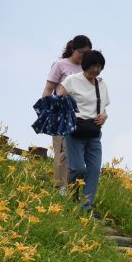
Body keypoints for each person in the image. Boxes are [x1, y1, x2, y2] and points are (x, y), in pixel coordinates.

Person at [56, 50, 110, 214]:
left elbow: (103, 109)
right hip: (74, 130)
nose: (96, 69)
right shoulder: (72, 80)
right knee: (79, 169)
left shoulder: (101, 84)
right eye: (93, 65)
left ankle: (85, 207)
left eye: (99, 66)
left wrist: (104, 117)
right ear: (86, 65)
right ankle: (70, 195)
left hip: (93, 132)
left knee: (94, 170)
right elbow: (58, 101)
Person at [41, 35, 92, 193]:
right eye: (81, 52)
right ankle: (60, 186)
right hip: (60, 113)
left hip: (81, 115)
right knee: (62, 150)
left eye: (87, 53)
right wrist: (47, 110)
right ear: (73, 49)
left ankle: (72, 186)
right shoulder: (60, 65)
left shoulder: (86, 68)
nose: (84, 56)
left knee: (76, 151)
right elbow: (49, 89)